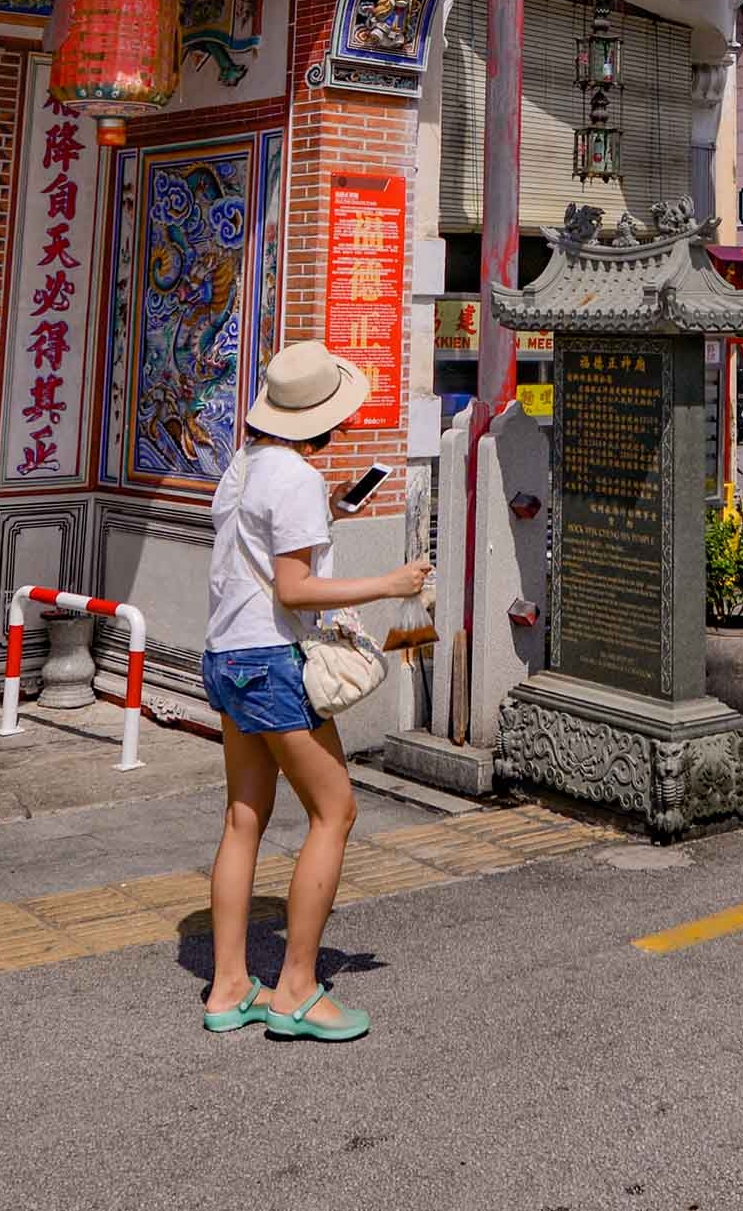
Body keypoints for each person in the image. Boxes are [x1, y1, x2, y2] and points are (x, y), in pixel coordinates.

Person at [200, 339, 429, 1043]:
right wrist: (389, 583)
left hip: (226, 653)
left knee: (244, 818)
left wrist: (325, 512)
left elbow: (266, 555)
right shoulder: (293, 478)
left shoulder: (243, 466)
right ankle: (296, 988)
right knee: (335, 812)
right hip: (272, 662)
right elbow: (295, 590)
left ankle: (228, 985)